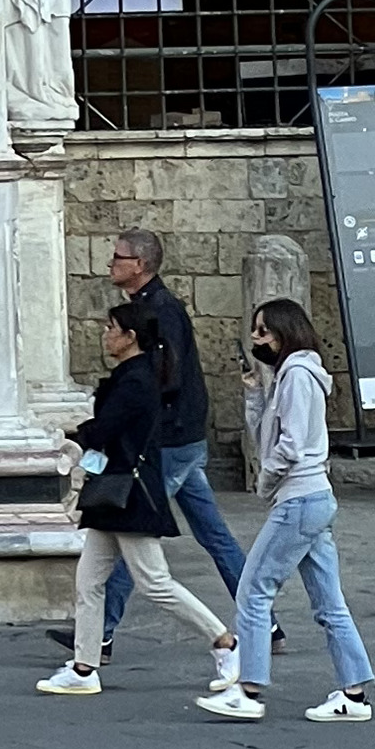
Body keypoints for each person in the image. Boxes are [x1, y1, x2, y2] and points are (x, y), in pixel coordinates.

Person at [38, 290, 237, 698]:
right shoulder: (135, 377)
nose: (104, 335)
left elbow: (107, 428)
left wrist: (75, 439)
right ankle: (83, 666)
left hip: (128, 493)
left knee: (154, 582)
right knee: (88, 580)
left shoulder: (137, 380)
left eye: (110, 328)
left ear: (129, 336)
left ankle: (224, 641)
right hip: (112, 491)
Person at [200, 296, 375, 726]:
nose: (256, 338)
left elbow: (291, 445)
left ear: (284, 332)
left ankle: (248, 689)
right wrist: (256, 395)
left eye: (263, 331)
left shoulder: (298, 374)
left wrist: (266, 480)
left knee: (253, 590)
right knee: (328, 602)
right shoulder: (288, 377)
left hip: (298, 498)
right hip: (311, 499)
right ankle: (354, 692)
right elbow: (267, 434)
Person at [92, 228, 249, 661]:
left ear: (138, 264)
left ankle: (100, 631)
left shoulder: (162, 311)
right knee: (213, 533)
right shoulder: (145, 308)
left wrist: (137, 425)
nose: (111, 263)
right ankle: (262, 619)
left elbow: (166, 378)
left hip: (171, 439)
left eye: (118, 256)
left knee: (134, 526)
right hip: (177, 438)